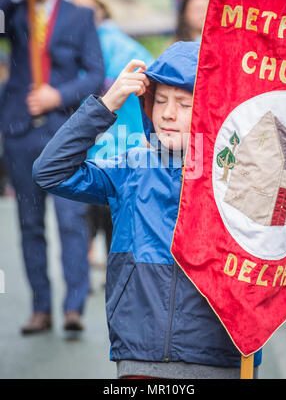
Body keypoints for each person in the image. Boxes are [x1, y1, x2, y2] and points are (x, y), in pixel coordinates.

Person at [32, 42, 262, 378]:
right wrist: (106, 104)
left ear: (211, 109)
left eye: (184, 104)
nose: (168, 113)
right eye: (160, 100)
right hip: (140, 351)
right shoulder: (129, 167)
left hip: (222, 355)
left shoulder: (237, 176)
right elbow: (49, 172)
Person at [0, 0, 105, 334]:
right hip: (19, 132)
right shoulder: (13, 12)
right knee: (30, 224)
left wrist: (57, 95)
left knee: (70, 220)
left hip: (63, 132)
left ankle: (73, 306)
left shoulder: (79, 16)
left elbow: (95, 74)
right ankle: (40, 308)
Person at [73, 0, 154, 269]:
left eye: (84, 4)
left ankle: (111, 261)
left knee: (106, 202)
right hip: (105, 136)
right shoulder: (83, 40)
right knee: (100, 203)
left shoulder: (114, 42)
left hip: (116, 135)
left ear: (101, 7)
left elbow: (148, 72)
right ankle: (105, 259)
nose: (77, 11)